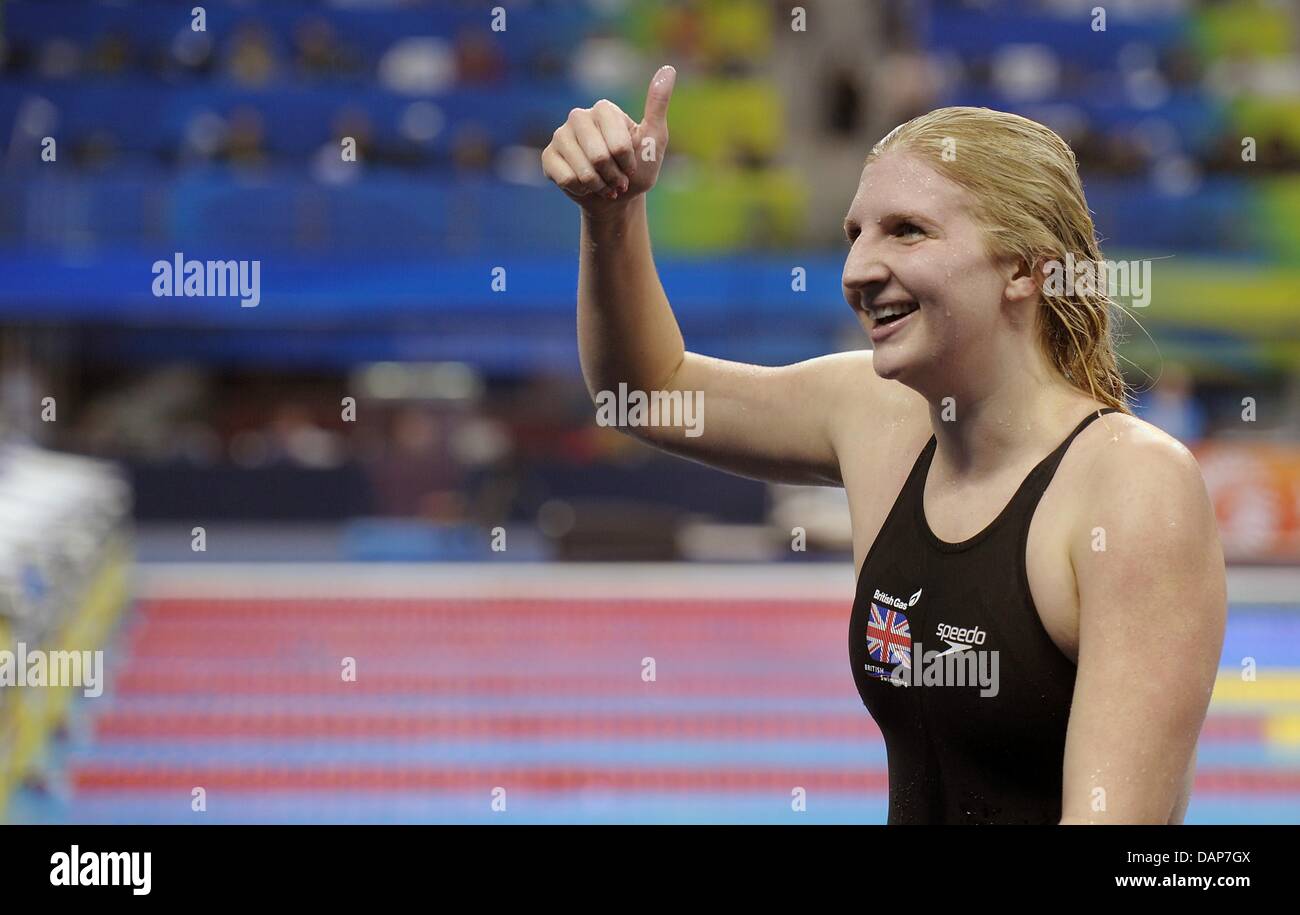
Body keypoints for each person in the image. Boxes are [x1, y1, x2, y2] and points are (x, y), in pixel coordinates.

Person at [540, 65, 1227, 825]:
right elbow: (644, 390)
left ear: (1027, 269)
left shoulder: (1131, 486)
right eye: (854, 234)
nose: (858, 270)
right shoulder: (876, 417)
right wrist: (612, 216)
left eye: (907, 230)